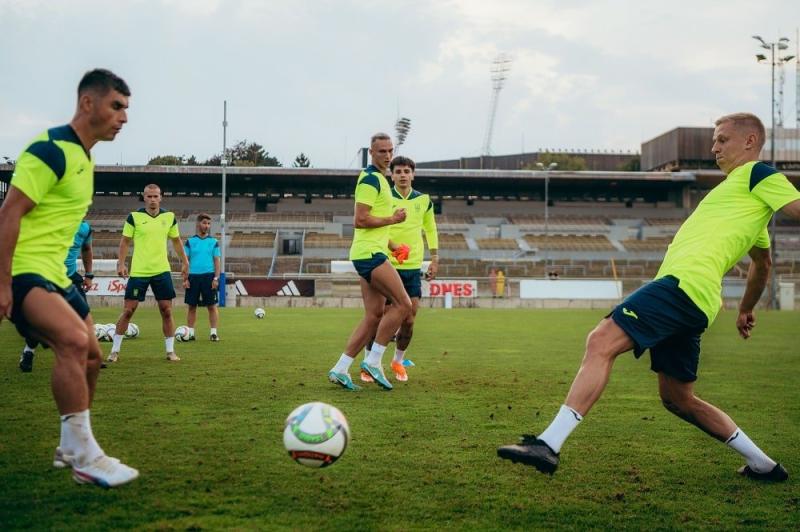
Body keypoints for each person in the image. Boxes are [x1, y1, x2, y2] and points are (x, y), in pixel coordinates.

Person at [498, 113, 800, 482]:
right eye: (713, 140)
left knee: (601, 340)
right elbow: (763, 263)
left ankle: (548, 444)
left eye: (722, 140)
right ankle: (763, 465)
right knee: (678, 399)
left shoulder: (760, 175)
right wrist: (746, 310)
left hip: (682, 287)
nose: (714, 147)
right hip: (699, 302)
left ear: (750, 141)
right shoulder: (743, 201)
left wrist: (745, 307)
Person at [0, 68, 138, 487]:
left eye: (127, 109)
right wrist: (2, 282)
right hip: (25, 271)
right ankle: (84, 456)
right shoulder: (50, 150)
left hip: (57, 276)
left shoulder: (85, 157)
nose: (124, 118)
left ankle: (73, 447)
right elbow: (8, 214)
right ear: (88, 103)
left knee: (93, 357)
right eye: (117, 106)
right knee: (74, 341)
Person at [327, 133, 412, 391]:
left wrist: (394, 246)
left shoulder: (381, 181)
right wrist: (393, 220)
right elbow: (360, 220)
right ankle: (374, 360)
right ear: (371, 153)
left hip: (373, 252)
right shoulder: (370, 180)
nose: (387, 155)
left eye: (390, 151)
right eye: (382, 152)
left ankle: (340, 368)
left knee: (374, 315)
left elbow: (373, 226)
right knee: (403, 304)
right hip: (369, 255)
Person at [359, 155, 438, 383]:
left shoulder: (424, 200)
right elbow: (371, 227)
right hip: (385, 264)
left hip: (412, 267)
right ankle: (368, 364)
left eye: (407, 171)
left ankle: (398, 361)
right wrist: (391, 248)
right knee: (379, 317)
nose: (403, 175)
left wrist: (435, 258)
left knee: (409, 319)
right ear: (391, 175)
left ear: (413, 174)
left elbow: (430, 229)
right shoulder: (383, 198)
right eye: (398, 171)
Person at [107, 184, 189, 363]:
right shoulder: (134, 217)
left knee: (166, 310)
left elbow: (176, 241)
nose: (152, 199)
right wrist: (121, 263)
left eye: (156, 196)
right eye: (149, 196)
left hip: (162, 270)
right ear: (144, 197)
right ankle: (114, 351)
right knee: (128, 310)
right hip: (139, 271)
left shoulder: (169, 217)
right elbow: (125, 242)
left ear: (161, 197)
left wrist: (185, 261)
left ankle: (170, 352)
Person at [18, 220, 94, 372]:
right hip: (45, 277)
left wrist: (89, 274)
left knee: (83, 317)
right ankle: (29, 351)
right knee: (40, 322)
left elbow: (86, 249)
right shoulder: (49, 221)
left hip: (70, 277)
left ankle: (87, 357)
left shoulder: (85, 227)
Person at [184, 213, 221, 341]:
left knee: (211, 306)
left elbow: (217, 261)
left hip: (208, 277)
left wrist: (216, 278)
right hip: (193, 277)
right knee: (191, 306)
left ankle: (213, 333)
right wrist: (185, 279)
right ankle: (190, 333)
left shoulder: (214, 242)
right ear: (198, 224)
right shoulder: (190, 242)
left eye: (209, 224)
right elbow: (185, 261)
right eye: (204, 223)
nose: (207, 226)